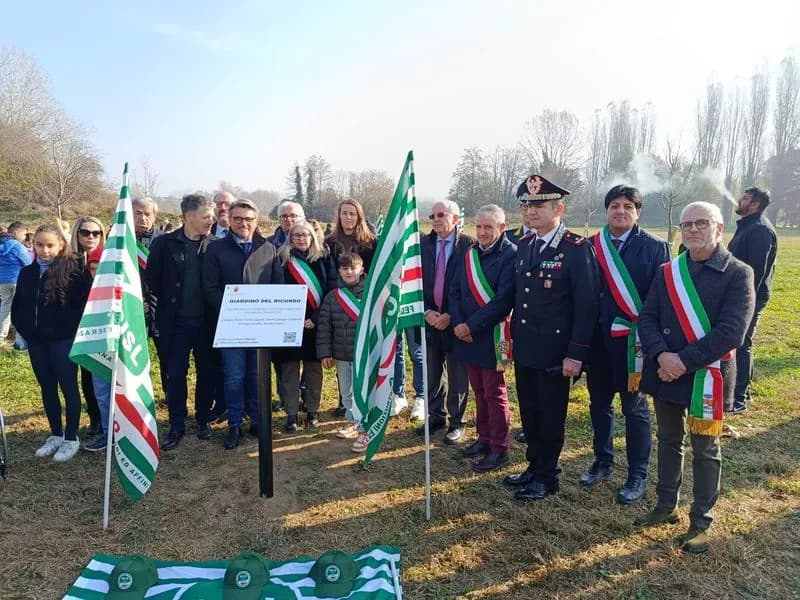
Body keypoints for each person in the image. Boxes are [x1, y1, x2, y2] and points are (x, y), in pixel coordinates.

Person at [635, 201, 754, 554]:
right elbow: (647, 318)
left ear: (719, 228)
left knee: (706, 450)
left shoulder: (738, 273)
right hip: (666, 371)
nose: (692, 230)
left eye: (701, 223)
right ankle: (665, 505)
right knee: (669, 439)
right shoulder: (668, 271)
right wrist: (662, 355)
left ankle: (701, 521)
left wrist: (682, 362)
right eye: (687, 224)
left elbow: (732, 332)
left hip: (707, 375)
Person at [505, 175, 600, 501]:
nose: (531, 211)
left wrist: (576, 354)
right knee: (530, 414)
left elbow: (587, 305)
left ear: (559, 209)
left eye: (539, 205)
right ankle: (534, 467)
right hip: (526, 348)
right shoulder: (525, 245)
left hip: (556, 354)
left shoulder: (576, 249)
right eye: (526, 205)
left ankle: (547, 477)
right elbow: (516, 297)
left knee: (550, 417)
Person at [579, 185, 672, 504]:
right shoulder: (591, 245)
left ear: (638, 212)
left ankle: (637, 473)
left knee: (634, 408)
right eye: (615, 205)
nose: (621, 211)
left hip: (635, 344)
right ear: (606, 210)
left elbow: (662, 297)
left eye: (628, 206)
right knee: (599, 404)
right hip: (597, 343)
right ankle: (602, 460)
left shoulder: (656, 247)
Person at [11, 223, 92, 462]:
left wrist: (68, 331)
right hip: (37, 342)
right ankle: (56, 433)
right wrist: (25, 330)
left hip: (62, 340)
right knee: (47, 387)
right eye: (39, 245)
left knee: (68, 387)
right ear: (33, 245)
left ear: (61, 246)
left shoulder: (72, 272)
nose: (45, 251)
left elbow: (81, 307)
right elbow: (19, 305)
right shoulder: (27, 273)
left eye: (50, 245)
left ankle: (71, 437)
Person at [450, 205, 517, 471]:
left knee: (494, 393)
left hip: (492, 335)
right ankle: (484, 438)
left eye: (488, 227)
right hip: (466, 334)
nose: (482, 232)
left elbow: (503, 301)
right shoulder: (470, 253)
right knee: (478, 391)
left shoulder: (511, 255)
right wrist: (459, 323)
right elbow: (455, 291)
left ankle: (500, 448)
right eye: (478, 227)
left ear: (502, 227)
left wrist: (470, 326)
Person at [147, 195, 216, 451]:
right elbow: (152, 279)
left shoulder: (215, 245)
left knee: (207, 373)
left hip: (206, 323)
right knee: (175, 375)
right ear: (189, 216)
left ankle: (202, 419)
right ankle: (176, 424)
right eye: (206, 216)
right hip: (174, 323)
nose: (211, 220)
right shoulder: (164, 244)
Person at [203, 199, 267, 449]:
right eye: (238, 218)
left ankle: (257, 420)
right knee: (234, 376)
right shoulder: (216, 249)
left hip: (260, 325)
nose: (243, 223)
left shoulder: (267, 248)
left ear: (256, 221)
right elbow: (210, 288)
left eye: (249, 219)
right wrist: (236, 310)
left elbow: (277, 284)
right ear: (229, 220)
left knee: (256, 375)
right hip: (230, 325)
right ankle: (234, 424)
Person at [417, 200, 474, 442]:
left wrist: (450, 315)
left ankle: (457, 422)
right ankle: (435, 416)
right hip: (430, 319)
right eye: (432, 216)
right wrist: (426, 312)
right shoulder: (422, 245)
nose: (436, 220)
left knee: (457, 374)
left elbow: (470, 286)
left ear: (455, 218)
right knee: (432, 372)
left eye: (441, 214)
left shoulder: (468, 245)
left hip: (456, 320)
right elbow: (413, 281)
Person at [274, 220, 337, 432]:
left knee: (313, 371)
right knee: (289, 370)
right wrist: (291, 318)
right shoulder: (281, 259)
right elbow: (277, 289)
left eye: (305, 235)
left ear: (312, 237)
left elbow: (331, 289)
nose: (301, 239)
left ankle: (312, 410)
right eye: (297, 235)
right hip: (289, 323)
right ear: (290, 238)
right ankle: (291, 413)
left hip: (315, 324)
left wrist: (316, 318)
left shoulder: (323, 258)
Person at [727, 187, 778, 414]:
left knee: (741, 343)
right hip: (738, 295)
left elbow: (755, 271)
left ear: (755, 204)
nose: (740, 199)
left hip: (749, 297)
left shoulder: (760, 231)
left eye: (745, 198)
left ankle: (739, 398)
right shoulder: (748, 226)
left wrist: (744, 301)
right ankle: (740, 392)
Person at [316, 252, 369, 451]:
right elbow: (324, 326)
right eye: (345, 268)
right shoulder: (333, 296)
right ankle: (351, 420)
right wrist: (325, 353)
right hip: (341, 354)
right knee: (346, 391)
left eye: (353, 268)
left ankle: (365, 428)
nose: (349, 272)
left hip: (364, 354)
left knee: (362, 392)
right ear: (339, 271)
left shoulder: (371, 293)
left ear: (361, 269)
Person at [69, 216, 107, 437]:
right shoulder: (69, 263)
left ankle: (108, 418)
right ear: (77, 234)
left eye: (96, 233)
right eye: (85, 232)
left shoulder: (109, 257)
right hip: (79, 326)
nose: (91, 237)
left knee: (103, 375)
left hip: (104, 326)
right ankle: (95, 419)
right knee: (88, 375)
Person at [82, 246, 115, 452]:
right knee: (102, 392)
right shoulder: (84, 290)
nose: (96, 273)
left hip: (120, 348)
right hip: (97, 346)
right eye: (92, 269)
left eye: (100, 267)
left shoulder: (121, 289)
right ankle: (107, 431)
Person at [0, 221, 32, 344]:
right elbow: (28, 263)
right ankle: (20, 339)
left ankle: (1, 336)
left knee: (5, 307)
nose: (24, 237)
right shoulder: (17, 246)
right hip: (17, 280)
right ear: (16, 232)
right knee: (21, 308)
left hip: (2, 282)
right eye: (24, 234)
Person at [325, 199, 377, 271]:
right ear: (339, 216)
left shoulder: (371, 243)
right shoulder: (328, 242)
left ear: (359, 217)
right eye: (344, 213)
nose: (348, 217)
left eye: (352, 214)